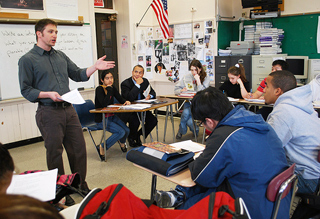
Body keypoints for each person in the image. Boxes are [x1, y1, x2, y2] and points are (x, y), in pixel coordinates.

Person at [155, 87, 290, 219]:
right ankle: (179, 194)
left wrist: (201, 157)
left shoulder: (225, 135)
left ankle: (179, 195)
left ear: (209, 121)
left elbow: (200, 175)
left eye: (201, 123)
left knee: (185, 207)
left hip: (248, 208)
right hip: (275, 202)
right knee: (217, 172)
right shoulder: (256, 121)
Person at [18, 18, 115, 195]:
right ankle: (59, 191)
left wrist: (94, 67)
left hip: (69, 110)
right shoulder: (27, 60)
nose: (55, 35)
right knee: (55, 154)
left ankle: (80, 185)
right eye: (50, 32)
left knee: (78, 149)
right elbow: (26, 90)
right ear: (39, 34)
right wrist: (48, 94)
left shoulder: (60, 55)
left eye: (56, 32)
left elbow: (78, 74)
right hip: (48, 112)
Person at [264, 70, 320, 194]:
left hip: (307, 179)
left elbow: (267, 149)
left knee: (254, 179)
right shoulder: (302, 105)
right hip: (315, 174)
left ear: (277, 91)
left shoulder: (283, 112)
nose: (263, 90)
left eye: (266, 86)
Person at [95, 71, 130, 159]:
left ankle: (122, 142)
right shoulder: (99, 89)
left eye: (111, 77)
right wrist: (109, 90)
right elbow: (104, 103)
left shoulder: (112, 88)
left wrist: (125, 101)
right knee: (120, 132)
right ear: (102, 80)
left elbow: (119, 98)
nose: (110, 80)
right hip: (102, 119)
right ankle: (102, 146)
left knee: (126, 130)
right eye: (107, 78)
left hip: (112, 116)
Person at [119, 65, 157, 147]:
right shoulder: (125, 84)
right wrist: (137, 85)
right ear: (132, 72)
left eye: (140, 73)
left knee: (153, 120)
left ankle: (138, 135)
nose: (137, 74)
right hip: (129, 111)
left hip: (141, 109)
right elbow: (129, 97)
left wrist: (150, 96)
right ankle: (131, 138)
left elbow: (153, 92)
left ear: (143, 74)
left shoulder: (145, 81)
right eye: (136, 72)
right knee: (135, 120)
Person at [174, 59, 210, 139]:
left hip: (200, 104)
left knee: (186, 113)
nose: (193, 72)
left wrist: (198, 81)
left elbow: (202, 93)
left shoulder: (206, 78)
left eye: (195, 70)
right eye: (192, 70)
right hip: (189, 102)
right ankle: (195, 129)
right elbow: (176, 89)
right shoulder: (187, 77)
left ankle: (181, 131)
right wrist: (181, 90)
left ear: (200, 69)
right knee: (189, 119)